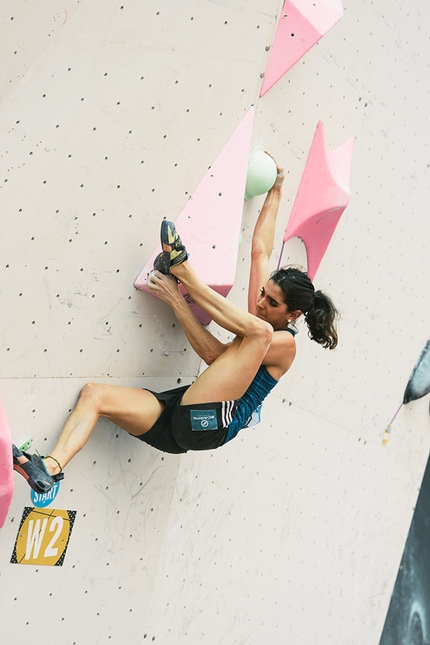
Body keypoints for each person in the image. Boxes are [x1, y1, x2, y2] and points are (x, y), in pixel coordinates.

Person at [12, 161, 339, 494]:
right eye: (262, 293)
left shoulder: (283, 344)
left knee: (259, 331)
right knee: (95, 396)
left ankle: (183, 269)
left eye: (271, 303)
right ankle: (50, 468)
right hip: (181, 417)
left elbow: (217, 358)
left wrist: (179, 298)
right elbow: (259, 253)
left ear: (293, 314)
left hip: (214, 423)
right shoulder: (259, 324)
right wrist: (277, 188)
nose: (259, 303)